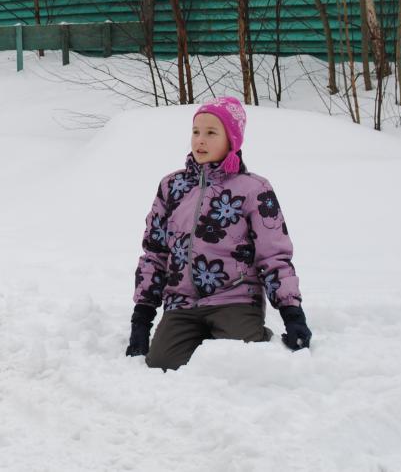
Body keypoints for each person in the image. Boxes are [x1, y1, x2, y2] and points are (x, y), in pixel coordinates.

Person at [125, 96, 313, 370]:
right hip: (182, 304)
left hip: (235, 299)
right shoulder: (172, 187)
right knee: (162, 365)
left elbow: (273, 255)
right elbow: (154, 253)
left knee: (239, 363)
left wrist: (292, 314)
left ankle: (254, 335)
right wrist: (141, 320)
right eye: (196, 132)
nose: (200, 140)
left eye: (211, 133)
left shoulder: (253, 189)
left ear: (231, 140)